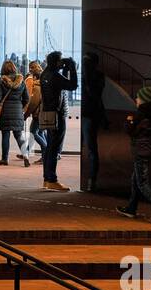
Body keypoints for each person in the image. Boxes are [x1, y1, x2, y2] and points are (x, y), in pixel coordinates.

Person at [117, 86, 151, 224]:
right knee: (135, 180)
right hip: (150, 151)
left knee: (142, 183)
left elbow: (130, 130)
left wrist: (129, 120)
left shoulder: (141, 114)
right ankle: (131, 208)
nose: (136, 99)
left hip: (141, 152)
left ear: (145, 100)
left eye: (138, 97)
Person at [38, 52, 77, 192]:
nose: (62, 62)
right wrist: (72, 67)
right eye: (60, 61)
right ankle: (52, 179)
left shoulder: (45, 74)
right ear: (56, 62)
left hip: (48, 113)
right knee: (55, 147)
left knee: (49, 147)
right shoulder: (55, 75)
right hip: (57, 114)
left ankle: (46, 178)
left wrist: (64, 69)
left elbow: (62, 84)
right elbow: (72, 85)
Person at [80, 52, 108, 190]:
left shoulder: (96, 76)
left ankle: (92, 179)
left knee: (91, 148)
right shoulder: (88, 76)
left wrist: (87, 77)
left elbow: (94, 94)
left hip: (90, 115)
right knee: (90, 148)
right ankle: (91, 178)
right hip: (87, 114)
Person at [0, 60, 30, 167]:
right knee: (19, 135)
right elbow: (26, 98)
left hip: (5, 112)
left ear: (3, 69)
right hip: (18, 111)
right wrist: (20, 107)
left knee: (5, 135)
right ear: (14, 68)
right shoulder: (21, 81)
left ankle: (4, 159)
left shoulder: (2, 81)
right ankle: (26, 156)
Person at [23, 60, 46, 160]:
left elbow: (33, 102)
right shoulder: (43, 81)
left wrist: (26, 114)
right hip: (42, 111)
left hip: (38, 113)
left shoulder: (37, 85)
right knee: (39, 132)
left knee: (34, 132)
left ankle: (47, 151)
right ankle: (27, 152)